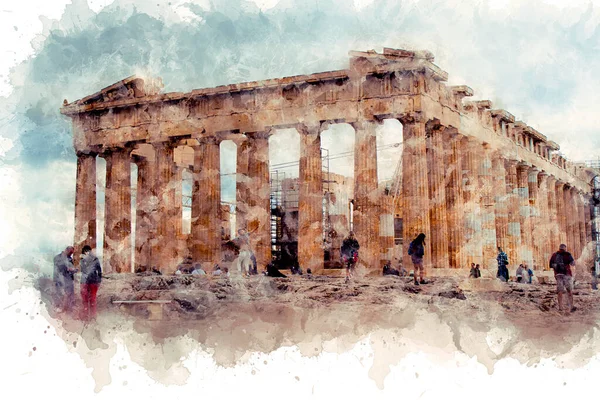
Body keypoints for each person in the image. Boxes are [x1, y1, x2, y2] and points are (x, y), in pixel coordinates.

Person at [549, 244, 576, 313]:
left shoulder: (554, 255)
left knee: (560, 291)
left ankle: (560, 307)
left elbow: (550, 265)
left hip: (558, 275)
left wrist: (557, 267)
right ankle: (571, 306)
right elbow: (573, 263)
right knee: (569, 291)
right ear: (565, 248)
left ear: (559, 248)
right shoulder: (567, 254)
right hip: (567, 274)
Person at [79, 245, 102, 321]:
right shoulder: (82, 260)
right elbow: (83, 270)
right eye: (85, 251)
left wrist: (98, 281)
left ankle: (92, 317)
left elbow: (99, 271)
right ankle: (86, 317)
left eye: (88, 251)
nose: (87, 253)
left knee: (92, 300)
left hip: (92, 282)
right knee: (85, 300)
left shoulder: (95, 259)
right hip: (85, 282)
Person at [53, 246, 76, 313]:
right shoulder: (57, 257)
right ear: (66, 250)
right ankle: (59, 307)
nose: (71, 254)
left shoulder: (69, 258)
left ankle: (68, 308)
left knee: (69, 293)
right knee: (59, 293)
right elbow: (58, 267)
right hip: (59, 278)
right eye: (70, 252)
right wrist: (67, 268)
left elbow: (71, 267)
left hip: (68, 279)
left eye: (72, 253)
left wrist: (73, 270)